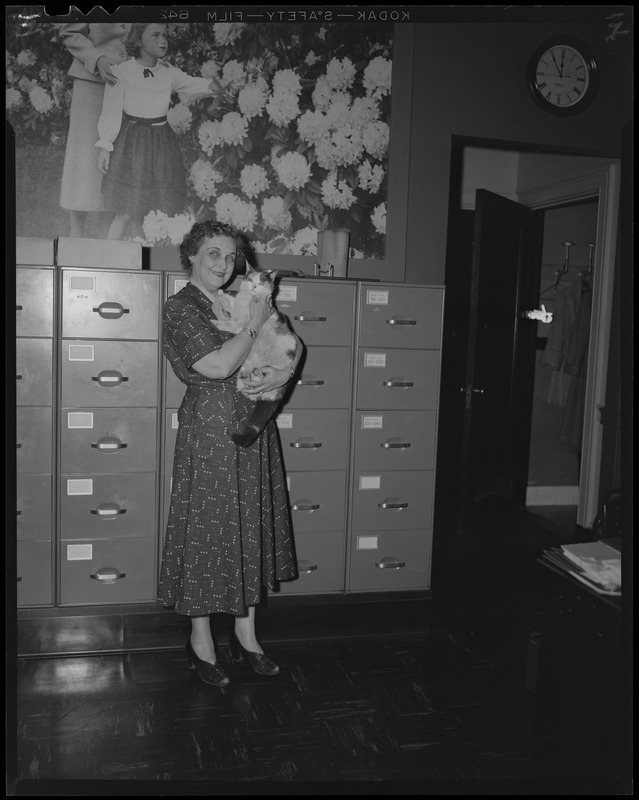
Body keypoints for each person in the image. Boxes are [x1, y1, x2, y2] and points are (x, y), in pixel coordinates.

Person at [158, 219, 301, 687]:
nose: (223, 263)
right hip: (212, 430)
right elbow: (217, 365)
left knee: (250, 521)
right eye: (212, 254)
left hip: (252, 425)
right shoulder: (180, 308)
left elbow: (290, 347)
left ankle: (247, 636)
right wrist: (256, 322)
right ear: (192, 258)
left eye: (229, 255)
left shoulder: (234, 298)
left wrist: (278, 376)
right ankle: (201, 641)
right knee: (207, 527)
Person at [96, 23, 222, 241]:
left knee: (158, 207)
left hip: (161, 145)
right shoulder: (122, 72)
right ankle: (108, 258)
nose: (163, 40)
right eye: (155, 35)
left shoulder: (169, 74)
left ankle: (147, 254)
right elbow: (111, 110)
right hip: (131, 145)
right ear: (138, 40)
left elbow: (196, 84)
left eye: (165, 35)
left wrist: (223, 86)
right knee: (125, 211)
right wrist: (105, 146)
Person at [58, 22, 131, 238]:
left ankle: (104, 236)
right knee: (83, 158)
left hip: (127, 81)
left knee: (116, 156)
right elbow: (69, 31)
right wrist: (97, 59)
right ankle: (76, 234)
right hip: (91, 81)